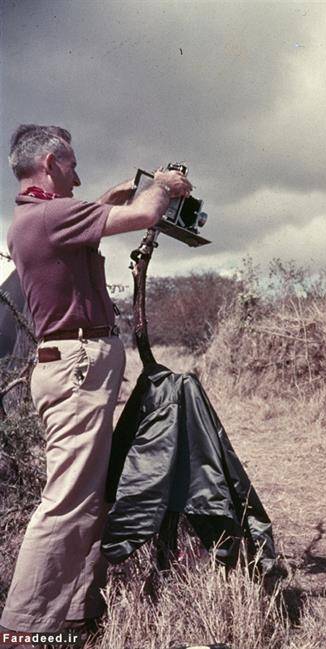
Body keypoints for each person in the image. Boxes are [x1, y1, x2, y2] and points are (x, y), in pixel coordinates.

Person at [0, 124, 192, 644]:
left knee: (87, 495)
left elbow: (93, 213)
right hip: (76, 366)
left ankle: (72, 615)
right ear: (49, 163)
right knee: (67, 498)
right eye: (72, 165)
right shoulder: (50, 216)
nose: (78, 175)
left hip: (76, 365)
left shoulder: (40, 217)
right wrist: (164, 184)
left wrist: (111, 197)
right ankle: (23, 630)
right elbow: (148, 214)